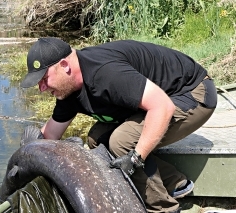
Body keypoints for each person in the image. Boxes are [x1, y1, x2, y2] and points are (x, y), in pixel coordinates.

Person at [20, 37, 217, 213]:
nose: (41, 88)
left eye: (44, 79)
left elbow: (162, 107)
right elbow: (49, 137)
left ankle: (162, 208)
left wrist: (135, 159)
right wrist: (22, 165)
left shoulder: (104, 73)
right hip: (159, 100)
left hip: (192, 94)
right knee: (96, 137)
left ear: (64, 65)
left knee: (121, 142)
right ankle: (174, 182)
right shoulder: (68, 90)